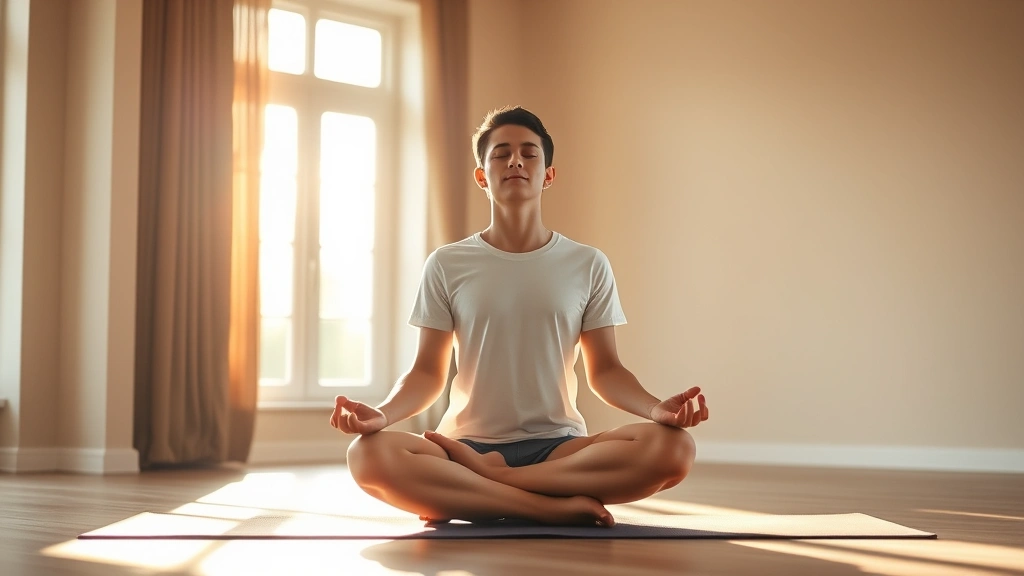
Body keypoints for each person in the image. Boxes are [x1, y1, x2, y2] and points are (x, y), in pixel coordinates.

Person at [330, 106, 709, 527]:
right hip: (463, 446)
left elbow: (606, 371)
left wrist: (657, 411)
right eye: (501, 154)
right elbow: (426, 373)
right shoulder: (446, 263)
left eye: (529, 154)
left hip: (559, 447)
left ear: (548, 175)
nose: (515, 161)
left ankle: (486, 486)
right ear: (482, 176)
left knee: (674, 449)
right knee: (366, 455)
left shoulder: (588, 264)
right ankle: (543, 506)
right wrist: (382, 415)